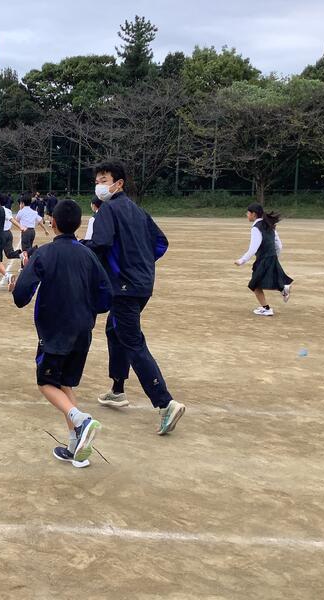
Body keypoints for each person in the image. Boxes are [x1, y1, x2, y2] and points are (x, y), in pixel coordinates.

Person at [88, 161, 186, 435]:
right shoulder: (139, 211)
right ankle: (118, 388)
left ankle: (165, 403)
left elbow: (100, 244)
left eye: (104, 180)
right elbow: (161, 243)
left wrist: (80, 251)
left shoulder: (108, 209)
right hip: (142, 285)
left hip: (124, 287)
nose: (99, 185)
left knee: (132, 340)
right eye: (97, 180)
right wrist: (142, 263)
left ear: (118, 183)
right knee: (114, 329)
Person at [11, 200, 110, 467]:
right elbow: (105, 295)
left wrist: (21, 284)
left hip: (55, 331)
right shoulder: (88, 255)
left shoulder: (45, 253)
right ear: (78, 225)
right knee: (64, 384)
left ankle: (81, 420)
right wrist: (89, 310)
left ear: (52, 223)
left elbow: (21, 295)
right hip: (82, 330)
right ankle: (76, 445)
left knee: (46, 382)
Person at [234, 203, 293, 315]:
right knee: (266, 280)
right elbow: (279, 245)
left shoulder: (256, 228)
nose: (246, 214)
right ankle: (283, 289)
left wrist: (242, 260)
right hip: (272, 257)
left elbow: (253, 248)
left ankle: (266, 309)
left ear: (254, 214)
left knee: (255, 284)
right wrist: (274, 256)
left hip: (264, 259)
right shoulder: (269, 224)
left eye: (248, 213)